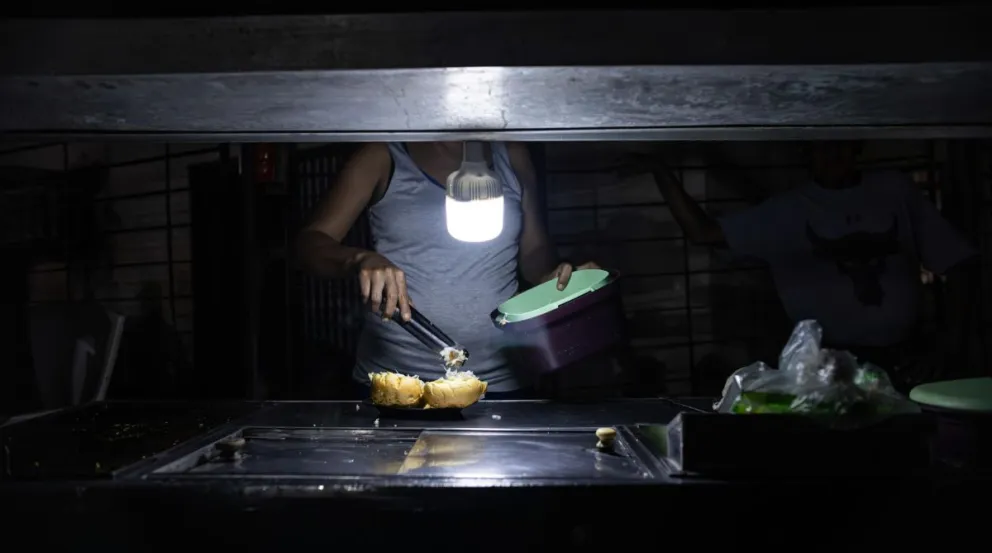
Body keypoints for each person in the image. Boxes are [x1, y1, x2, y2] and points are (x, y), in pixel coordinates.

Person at [645, 141, 977, 388]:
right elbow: (703, 233)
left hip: (908, 361)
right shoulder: (788, 211)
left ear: (856, 145)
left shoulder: (896, 191)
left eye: (840, 145)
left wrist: (948, 345)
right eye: (821, 147)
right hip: (827, 368)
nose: (832, 154)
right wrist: (660, 169)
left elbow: (959, 263)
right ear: (805, 153)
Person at [296, 142, 597, 398]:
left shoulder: (512, 155)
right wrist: (359, 259)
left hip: (500, 384)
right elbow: (309, 244)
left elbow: (535, 254)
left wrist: (558, 277)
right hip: (398, 385)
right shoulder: (384, 154)